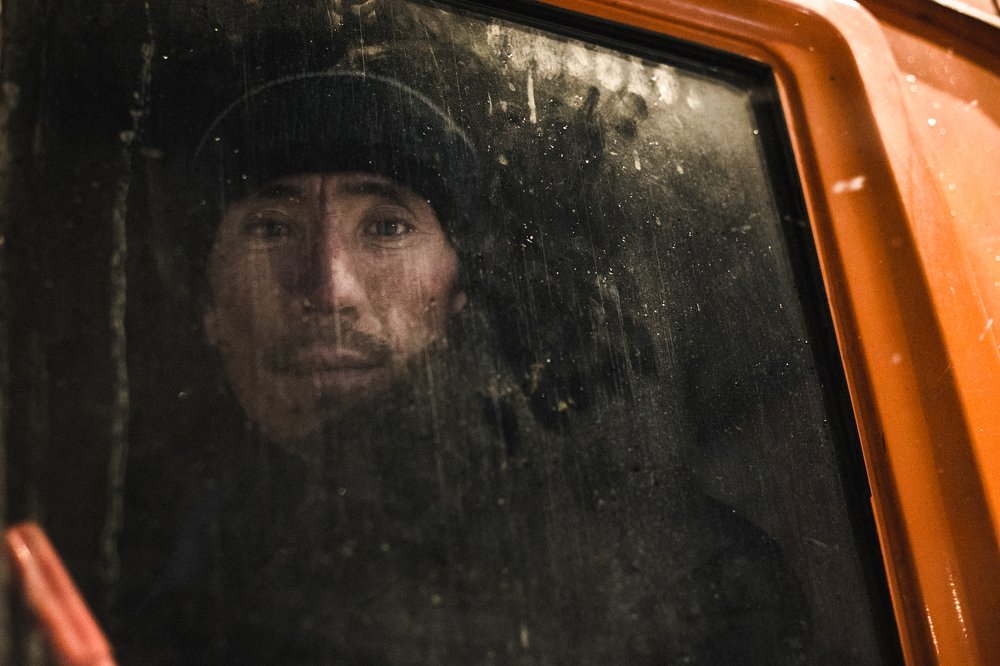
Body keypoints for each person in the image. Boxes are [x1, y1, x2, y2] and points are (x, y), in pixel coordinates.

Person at [115, 65, 814, 664]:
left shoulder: (673, 585)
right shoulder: (173, 573)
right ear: (209, 306)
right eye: (271, 228)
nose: (330, 289)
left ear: (458, 298)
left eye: (386, 227)